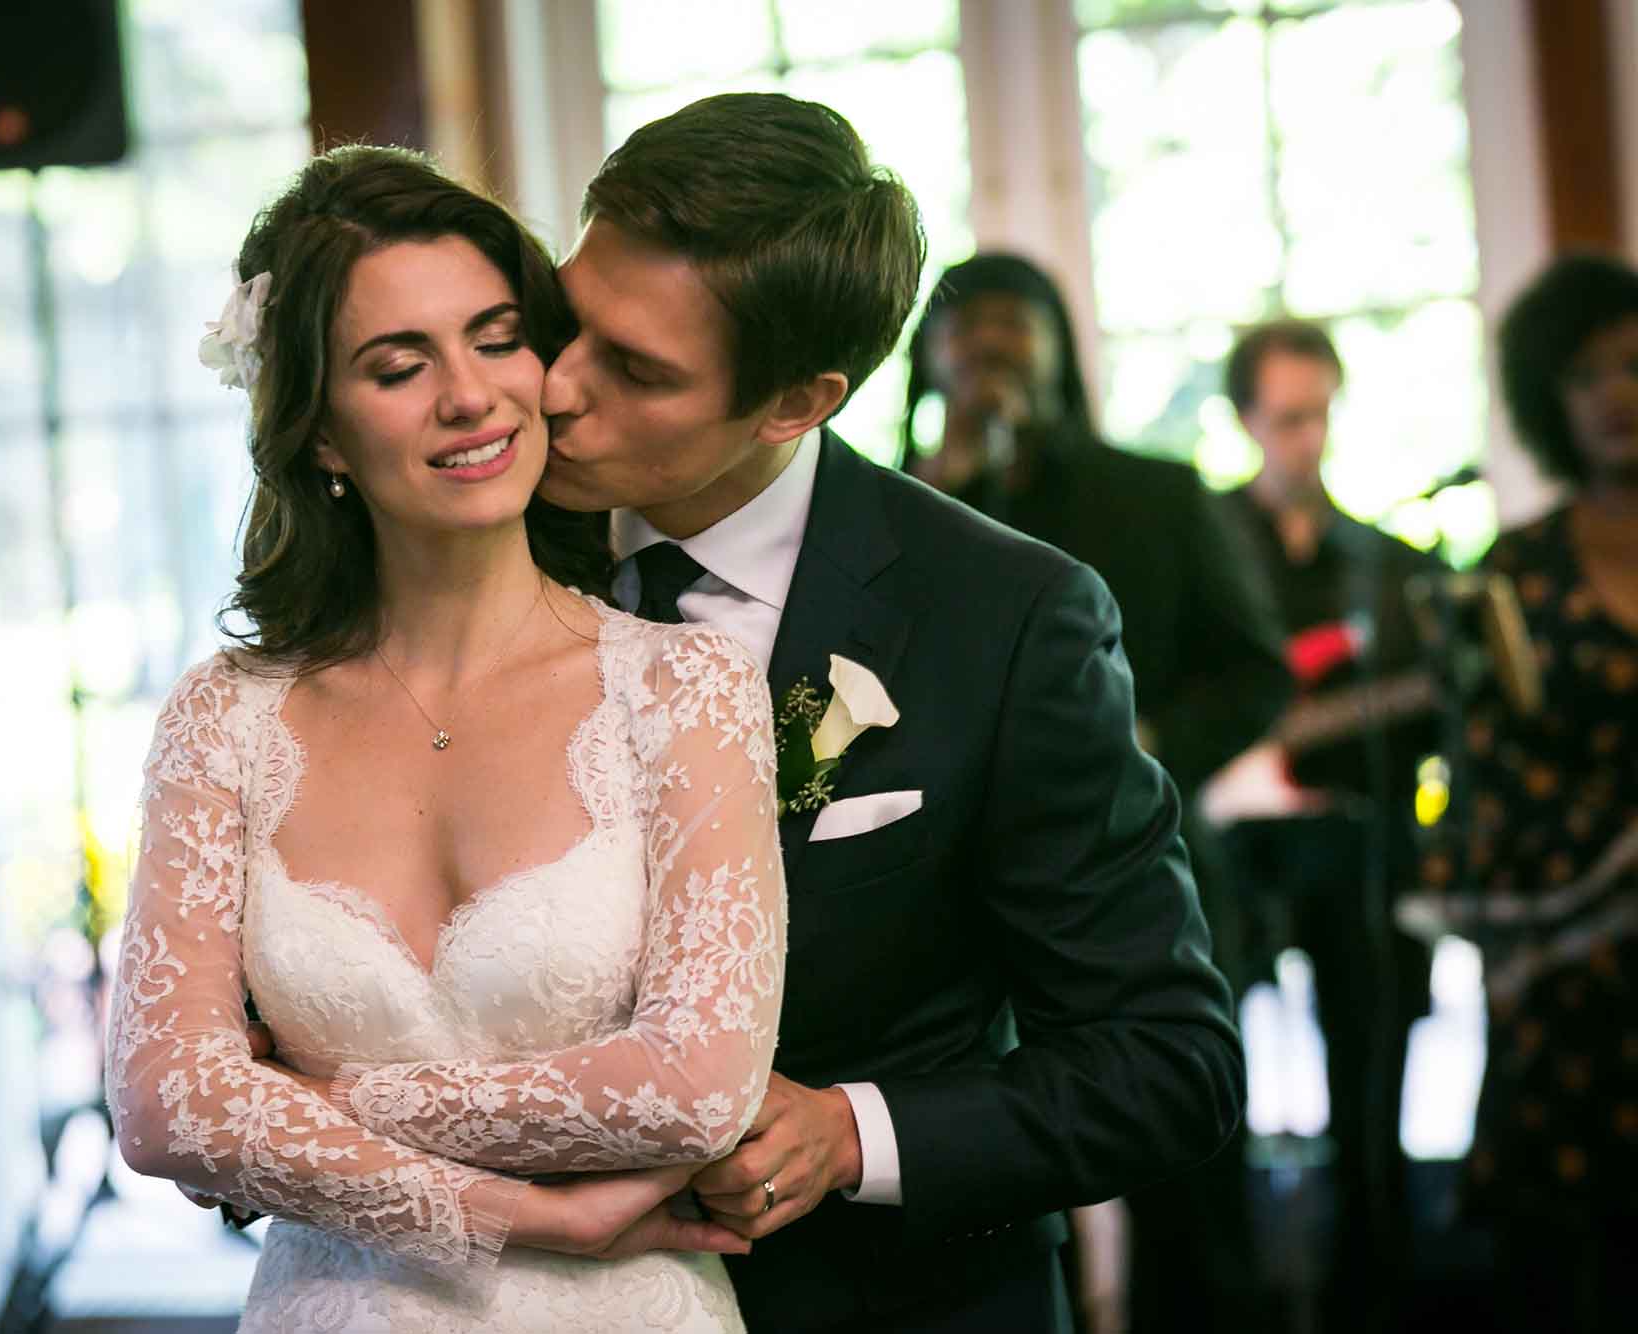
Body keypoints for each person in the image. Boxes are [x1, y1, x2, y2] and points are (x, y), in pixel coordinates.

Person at [533, 94, 1245, 1333]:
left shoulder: (1005, 616)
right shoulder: (467, 536)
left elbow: (1165, 1060)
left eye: (635, 369)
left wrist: (848, 1134)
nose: (551, 385)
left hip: (881, 1303)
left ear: (795, 403)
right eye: (562, 317)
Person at [105, 144, 789, 1333]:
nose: (469, 394)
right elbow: (166, 1104)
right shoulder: (223, 716)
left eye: (493, 335)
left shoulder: (685, 688)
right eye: (396, 364)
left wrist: (323, 1097)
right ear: (319, 431)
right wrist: (517, 1214)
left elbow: (695, 1086)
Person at [899, 252, 1288, 1332]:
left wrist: (1142, 742)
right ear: (926, 360)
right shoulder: (892, 509)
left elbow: (1256, 668)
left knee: (1180, 1173)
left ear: (1057, 352)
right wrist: (948, 470)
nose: (986, 356)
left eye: (1009, 335)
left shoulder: (1153, 495)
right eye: (962, 337)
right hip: (938, 896)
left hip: (1128, 864)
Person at [1415, 253, 1638, 1332]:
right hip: (1571, 965)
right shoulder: (1514, 568)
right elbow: (1487, 784)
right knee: (1572, 1261)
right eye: (1584, 374)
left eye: (1632, 367)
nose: (1613, 395)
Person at [1216, 319, 1443, 1328]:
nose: (1306, 438)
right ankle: (1231, 1291)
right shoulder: (1203, 544)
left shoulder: (1384, 566)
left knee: (1368, 1073)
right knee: (1208, 1088)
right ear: (1244, 419)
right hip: (1223, 858)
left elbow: (1435, 720)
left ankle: (1376, 1283)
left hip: (1355, 854)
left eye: (1319, 414)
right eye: (1285, 417)